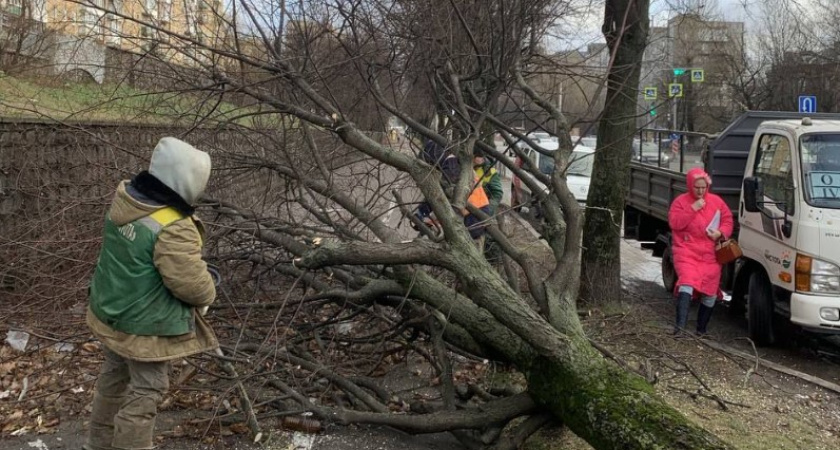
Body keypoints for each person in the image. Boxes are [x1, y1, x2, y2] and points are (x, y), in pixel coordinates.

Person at [84, 137, 217, 450]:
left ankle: (97, 444)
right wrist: (208, 292)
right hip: (147, 327)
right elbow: (191, 284)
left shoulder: (128, 200)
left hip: (113, 312)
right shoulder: (173, 225)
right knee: (147, 391)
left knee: (113, 382)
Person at [667, 167, 733, 336]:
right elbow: (675, 223)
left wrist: (721, 233)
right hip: (686, 251)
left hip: (710, 255)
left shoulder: (716, 202)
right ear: (690, 185)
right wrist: (692, 208)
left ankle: (701, 330)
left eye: (704, 187)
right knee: (687, 283)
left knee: (710, 291)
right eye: (697, 187)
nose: (701, 191)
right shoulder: (680, 202)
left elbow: (727, 219)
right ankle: (679, 328)